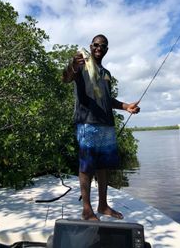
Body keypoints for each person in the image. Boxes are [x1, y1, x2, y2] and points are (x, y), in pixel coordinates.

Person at [62, 34, 140, 221]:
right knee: (86, 167)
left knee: (103, 166)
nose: (99, 48)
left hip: (106, 124)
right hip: (87, 122)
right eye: (96, 45)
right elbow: (66, 78)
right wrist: (73, 64)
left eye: (103, 46)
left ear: (106, 49)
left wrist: (126, 106)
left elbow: (107, 99)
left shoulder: (106, 73)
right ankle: (87, 210)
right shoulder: (80, 65)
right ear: (90, 46)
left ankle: (103, 205)